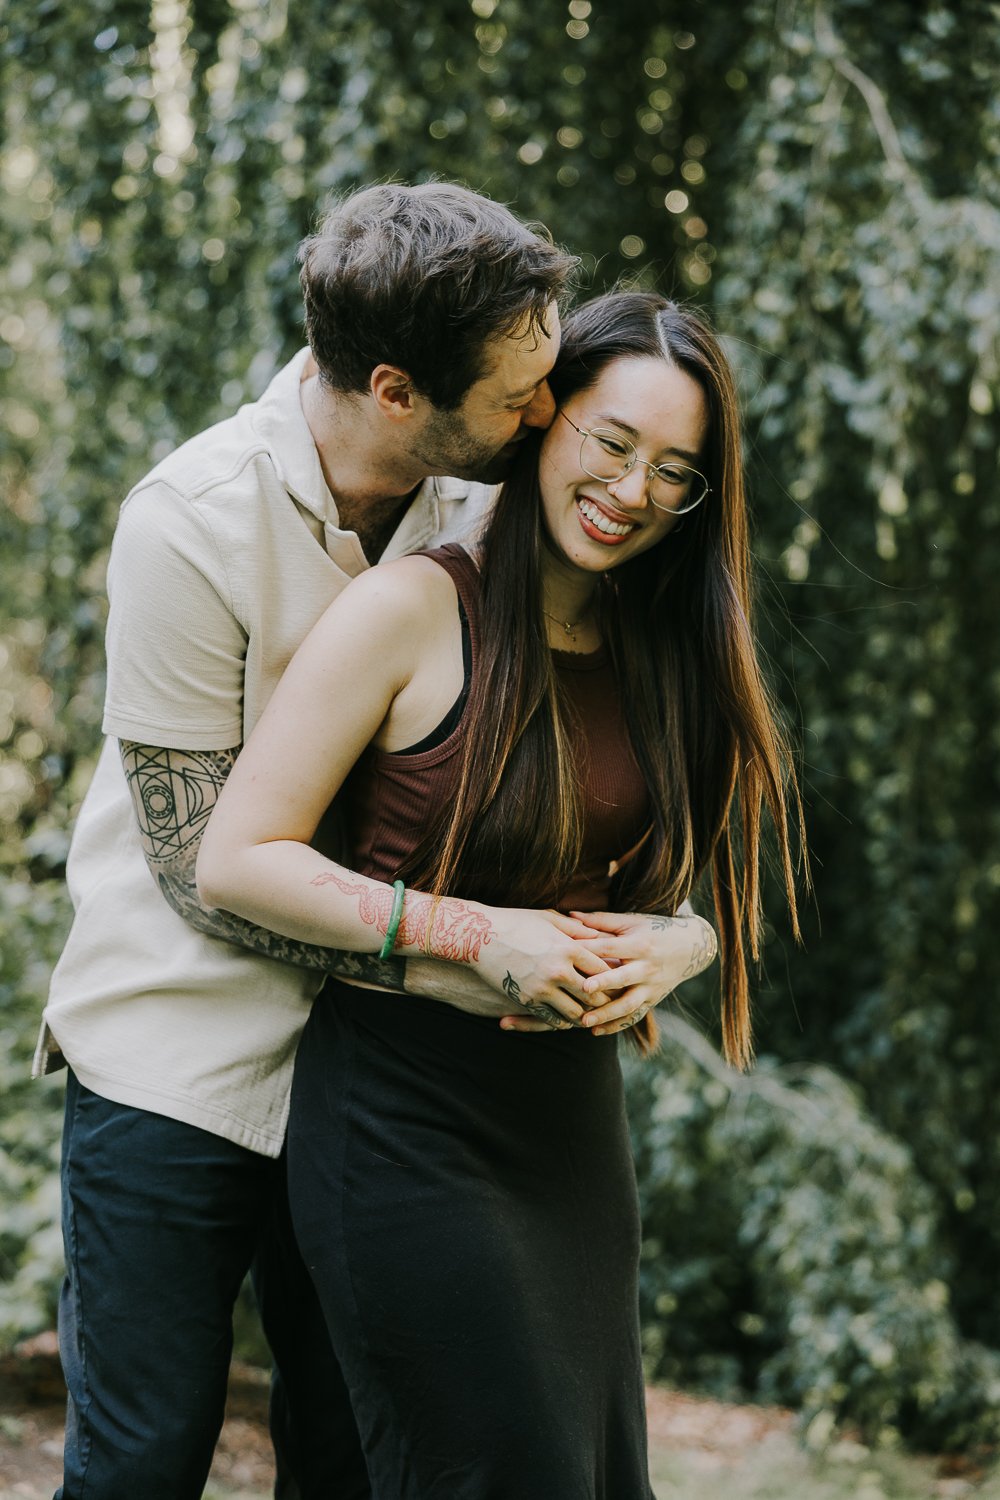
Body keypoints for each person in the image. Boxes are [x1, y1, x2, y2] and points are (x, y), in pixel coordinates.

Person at [33, 182, 633, 1500]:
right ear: (395, 389)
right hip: (174, 1059)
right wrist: (458, 950)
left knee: (363, 1461)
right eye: (518, 391)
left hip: (376, 1089)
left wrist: (669, 929)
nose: (545, 413)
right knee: (142, 1463)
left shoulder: (480, 515)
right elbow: (204, 867)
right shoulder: (189, 520)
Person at [196, 290, 803, 1498]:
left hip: (571, 1134)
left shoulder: (662, 643)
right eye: (611, 443)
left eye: (674, 472)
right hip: (399, 1122)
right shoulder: (411, 609)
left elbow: (675, 895)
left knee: (585, 1472)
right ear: (545, 418)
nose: (632, 492)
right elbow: (239, 857)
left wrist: (678, 945)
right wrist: (475, 935)